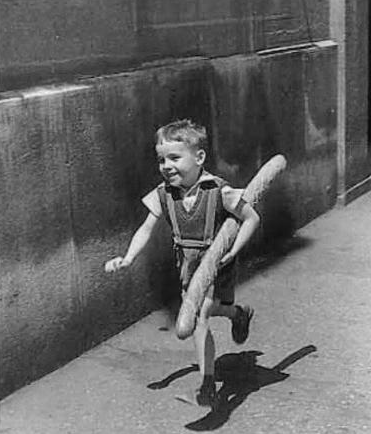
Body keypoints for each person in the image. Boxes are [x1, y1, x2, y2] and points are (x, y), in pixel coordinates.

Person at [105, 119, 260, 408]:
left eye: (175, 158)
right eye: (161, 159)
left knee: (199, 317)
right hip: (188, 264)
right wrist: (128, 257)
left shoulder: (219, 191)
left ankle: (207, 387)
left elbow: (251, 218)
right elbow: (146, 228)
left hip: (217, 262)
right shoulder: (163, 194)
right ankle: (237, 314)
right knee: (206, 310)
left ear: (199, 157)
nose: (166, 166)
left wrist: (233, 250)